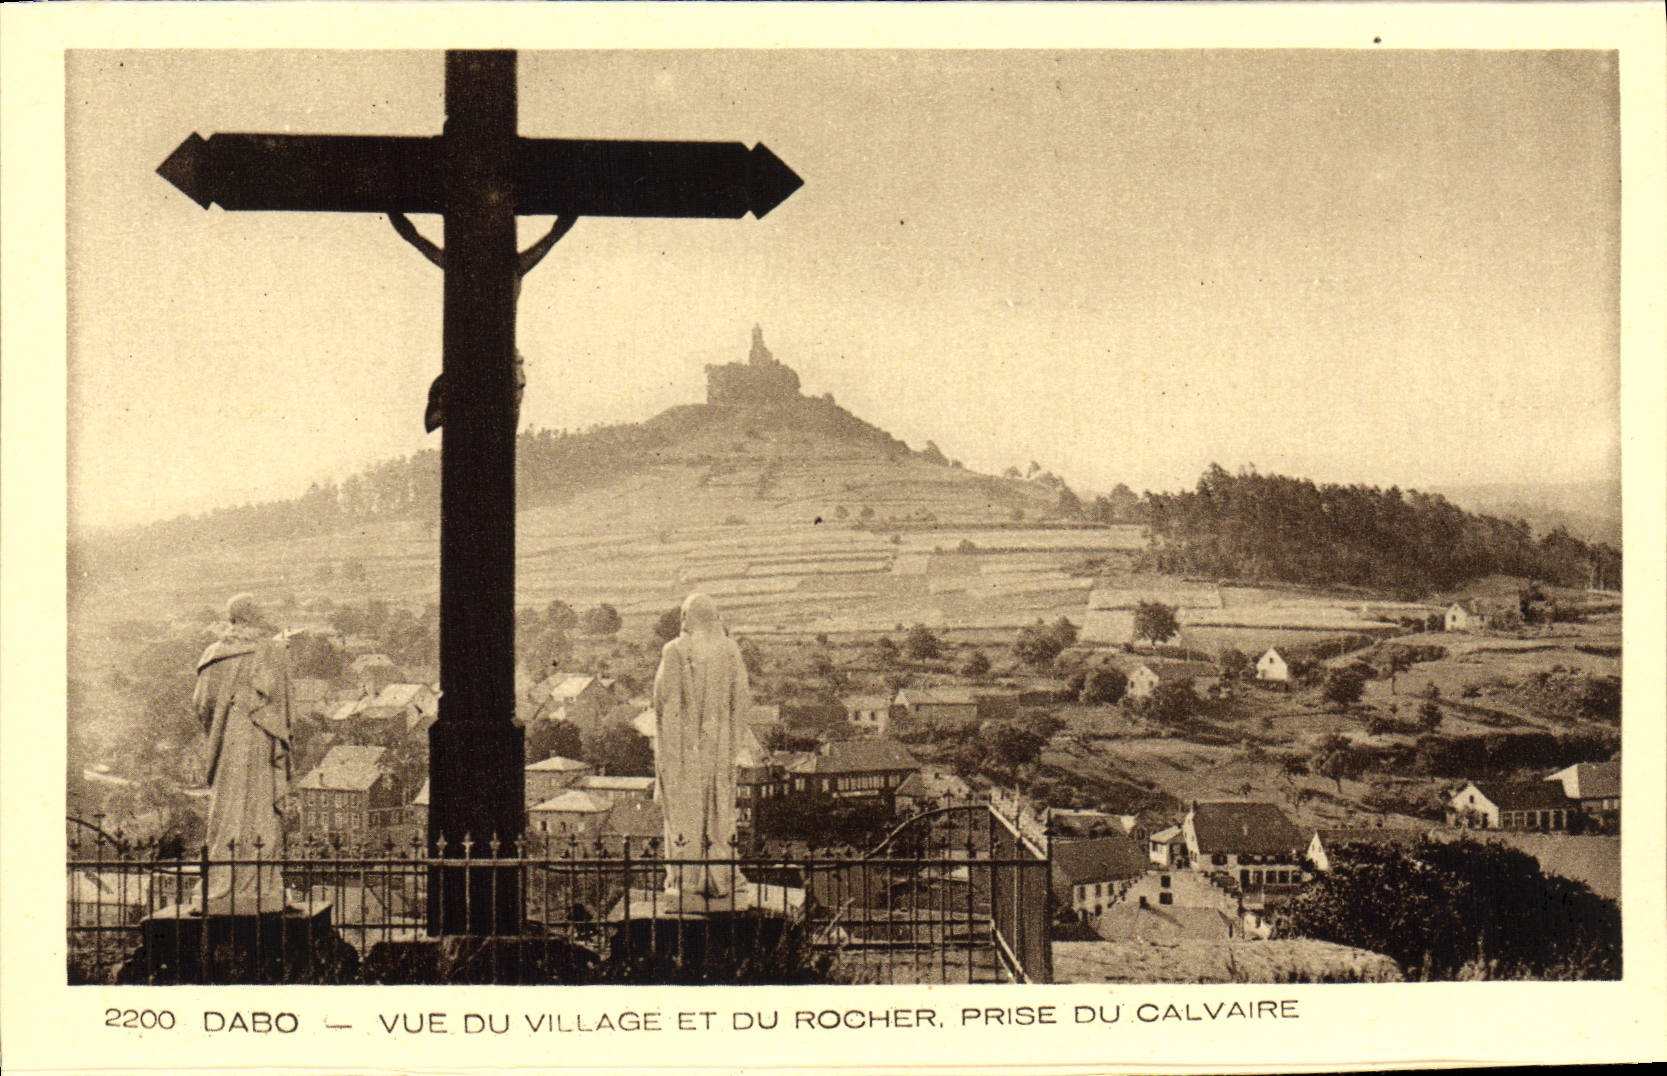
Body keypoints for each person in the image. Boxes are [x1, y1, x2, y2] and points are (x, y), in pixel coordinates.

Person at [192, 593, 292, 914]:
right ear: (254, 616)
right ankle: (262, 884)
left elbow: (202, 705)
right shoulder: (272, 652)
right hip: (261, 742)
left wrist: (218, 728)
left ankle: (222, 881)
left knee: (227, 808)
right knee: (260, 807)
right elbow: (286, 706)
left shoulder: (214, 654)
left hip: (227, 745)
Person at [652, 592, 751, 901]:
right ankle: (720, 874)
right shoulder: (730, 651)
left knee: (686, 815)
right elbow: (742, 703)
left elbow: (664, 706)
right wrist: (731, 743)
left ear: (687, 618)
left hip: (686, 757)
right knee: (720, 814)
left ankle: (687, 880)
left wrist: (669, 759)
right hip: (719, 753)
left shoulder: (675, 651)